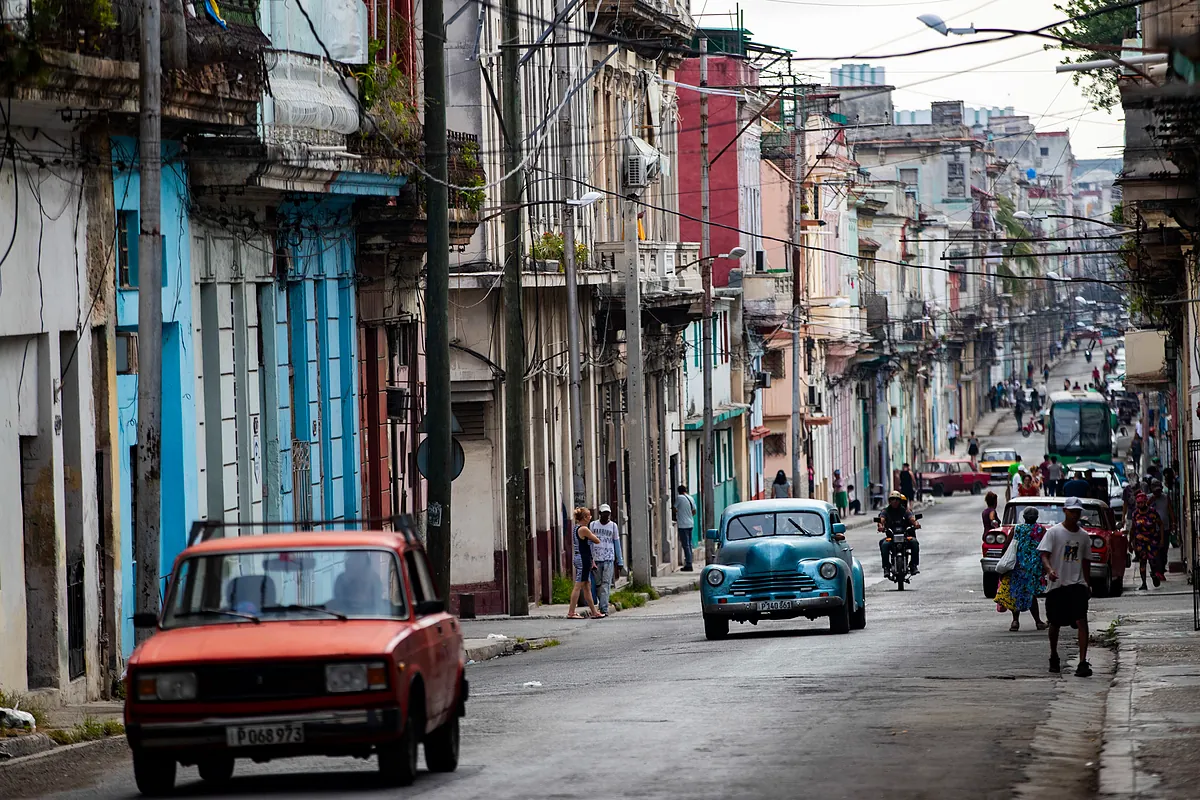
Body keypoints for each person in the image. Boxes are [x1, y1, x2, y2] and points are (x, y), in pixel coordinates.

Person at [1038, 497, 1093, 677]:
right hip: (1057, 585)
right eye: (1072, 511)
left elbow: (1086, 562)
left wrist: (1087, 584)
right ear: (1065, 511)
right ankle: (1054, 655)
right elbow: (1044, 555)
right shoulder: (1054, 533)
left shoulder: (1083, 536)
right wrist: (1050, 570)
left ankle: (1083, 662)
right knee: (1055, 623)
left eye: (1078, 511)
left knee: (1081, 620)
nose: (1075, 515)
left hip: (1077, 584)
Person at [995, 506, 1049, 632]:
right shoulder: (1041, 530)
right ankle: (1038, 622)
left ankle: (1015, 621)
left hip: (1017, 566)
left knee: (1016, 592)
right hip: (1033, 567)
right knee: (1030, 594)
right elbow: (1047, 547)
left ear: (1023, 517)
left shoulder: (1017, 529)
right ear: (1037, 517)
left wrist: (1003, 563)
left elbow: (1006, 546)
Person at [566, 507, 603, 619]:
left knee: (587, 586)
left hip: (583, 557)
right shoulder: (583, 529)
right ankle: (571, 612)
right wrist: (593, 535)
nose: (590, 518)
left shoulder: (576, 528)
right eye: (589, 516)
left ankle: (594, 611)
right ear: (585, 518)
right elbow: (597, 540)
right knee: (578, 585)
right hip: (582, 559)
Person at [877, 491, 921, 577]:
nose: (895, 501)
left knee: (914, 543)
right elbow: (881, 519)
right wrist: (880, 526)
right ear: (889, 501)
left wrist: (916, 524)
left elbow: (911, 518)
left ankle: (913, 565)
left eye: (897, 499)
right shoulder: (885, 511)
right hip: (891, 536)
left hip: (905, 536)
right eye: (892, 499)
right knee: (884, 545)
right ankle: (886, 567)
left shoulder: (905, 510)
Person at [590, 504, 622, 615]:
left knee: (606, 583)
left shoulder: (613, 526)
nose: (606, 515)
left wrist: (620, 560)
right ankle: (602, 603)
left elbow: (616, 543)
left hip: (609, 558)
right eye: (604, 513)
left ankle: (603, 608)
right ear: (600, 513)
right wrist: (590, 558)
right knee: (598, 584)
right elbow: (589, 543)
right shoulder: (593, 525)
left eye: (608, 513)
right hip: (596, 559)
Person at [1129, 492, 1165, 590]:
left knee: (1153, 561)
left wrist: (1161, 539)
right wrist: (1130, 543)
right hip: (1140, 542)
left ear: (1145, 502)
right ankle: (1144, 583)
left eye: (1142, 503)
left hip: (1152, 540)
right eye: (1138, 503)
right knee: (1142, 562)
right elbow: (1132, 529)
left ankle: (1154, 574)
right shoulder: (1135, 514)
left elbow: (1160, 524)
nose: (1140, 505)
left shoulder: (1152, 512)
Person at [674, 485, 696, 572]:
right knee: (689, 544)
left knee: (685, 545)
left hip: (683, 525)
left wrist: (679, 513)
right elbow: (694, 511)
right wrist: (688, 515)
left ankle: (689, 564)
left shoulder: (679, 498)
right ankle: (689, 562)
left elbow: (675, 508)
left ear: (679, 491)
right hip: (690, 523)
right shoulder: (691, 498)